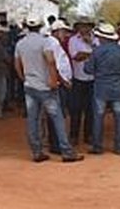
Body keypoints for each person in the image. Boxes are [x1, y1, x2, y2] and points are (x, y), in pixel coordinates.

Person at [14, 16, 83, 163]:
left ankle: (37, 151)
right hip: (45, 86)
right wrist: (54, 80)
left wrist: (24, 78)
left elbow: (17, 64)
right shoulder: (45, 42)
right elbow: (51, 62)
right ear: (41, 26)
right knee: (57, 118)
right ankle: (66, 151)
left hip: (30, 86)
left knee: (33, 120)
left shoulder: (21, 44)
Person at [85, 23, 120, 155]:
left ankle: (97, 146)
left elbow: (88, 69)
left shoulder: (97, 51)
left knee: (98, 117)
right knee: (119, 117)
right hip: (117, 86)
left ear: (102, 38)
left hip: (101, 87)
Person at [45, 19, 73, 154]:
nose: (65, 34)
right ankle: (57, 144)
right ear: (57, 32)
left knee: (55, 114)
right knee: (57, 115)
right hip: (58, 83)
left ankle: (55, 142)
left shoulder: (53, 43)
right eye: (64, 31)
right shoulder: (53, 44)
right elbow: (54, 66)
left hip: (58, 82)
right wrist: (63, 81)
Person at [68, 17, 95, 146]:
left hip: (93, 79)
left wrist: (89, 48)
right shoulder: (73, 40)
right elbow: (76, 56)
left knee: (91, 109)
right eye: (82, 26)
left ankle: (88, 135)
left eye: (87, 26)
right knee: (76, 109)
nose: (84, 28)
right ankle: (74, 135)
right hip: (78, 77)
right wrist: (92, 53)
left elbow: (99, 54)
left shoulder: (96, 39)